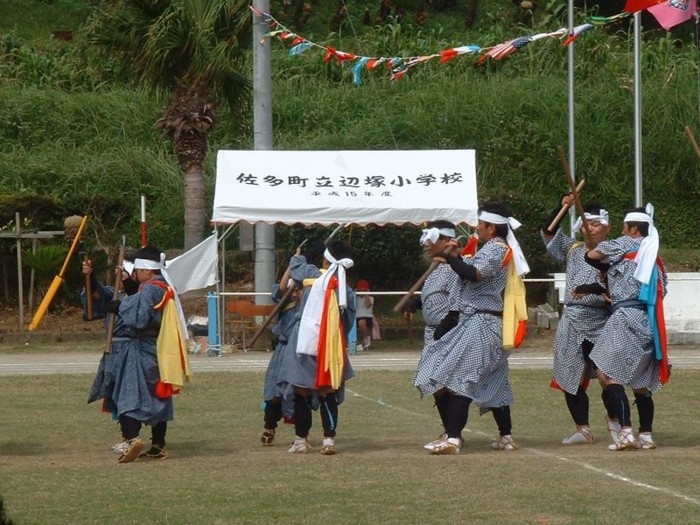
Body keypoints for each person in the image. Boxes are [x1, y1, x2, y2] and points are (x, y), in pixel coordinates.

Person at [413, 205, 529, 455]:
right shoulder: (487, 249)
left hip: (482, 323)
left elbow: (475, 274)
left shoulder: (498, 248)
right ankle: (457, 436)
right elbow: (467, 270)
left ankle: (453, 439)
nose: (476, 228)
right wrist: (457, 257)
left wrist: (454, 259)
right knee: (454, 378)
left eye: (480, 224)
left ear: (491, 227)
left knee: (458, 379)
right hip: (472, 322)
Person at [88, 245, 192, 463]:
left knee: (130, 396)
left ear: (146, 270)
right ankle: (158, 445)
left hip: (140, 349)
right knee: (155, 397)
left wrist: (120, 308)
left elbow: (139, 317)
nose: (135, 274)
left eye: (137, 271)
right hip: (149, 348)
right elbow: (133, 302)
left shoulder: (152, 288)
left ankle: (133, 438)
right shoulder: (155, 288)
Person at [584, 204, 668, 451]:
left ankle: (625, 431)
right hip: (647, 320)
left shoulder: (625, 244)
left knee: (607, 373)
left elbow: (591, 256)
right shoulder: (656, 257)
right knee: (640, 382)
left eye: (623, 227)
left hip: (624, 316)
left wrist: (597, 255)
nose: (622, 231)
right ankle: (646, 435)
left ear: (633, 229)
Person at [541, 195, 613, 445]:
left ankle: (616, 421)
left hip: (602, 319)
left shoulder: (615, 252)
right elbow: (548, 233)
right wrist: (562, 206)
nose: (588, 228)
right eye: (585, 224)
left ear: (606, 227)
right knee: (569, 376)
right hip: (571, 319)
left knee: (608, 375)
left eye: (594, 224)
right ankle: (583, 429)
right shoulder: (573, 249)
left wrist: (595, 289)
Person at [277, 239, 356, 455]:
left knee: (301, 391)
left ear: (325, 257)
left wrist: (300, 253)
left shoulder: (311, 273)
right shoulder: (346, 288)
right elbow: (348, 319)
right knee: (327, 392)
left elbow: (295, 266)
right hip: (331, 342)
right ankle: (329, 440)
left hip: (304, 339)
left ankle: (301, 439)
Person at [405, 220, 462, 452]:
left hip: (449, 331)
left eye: (432, 240)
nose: (426, 245)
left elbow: (457, 303)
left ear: (446, 241)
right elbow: (433, 295)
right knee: (435, 384)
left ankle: (454, 435)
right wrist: (414, 304)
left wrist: (444, 328)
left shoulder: (455, 268)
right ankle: (449, 431)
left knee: (450, 384)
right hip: (433, 333)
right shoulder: (436, 268)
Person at [260, 269, 301, 446]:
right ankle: (269, 427)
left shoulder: (309, 301)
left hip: (299, 352)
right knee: (275, 393)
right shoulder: (287, 299)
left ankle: (301, 434)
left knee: (299, 393)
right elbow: (283, 287)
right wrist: (292, 265)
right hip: (283, 351)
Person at [355, 279, 375, 351]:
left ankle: (366, 338)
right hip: (356, 318)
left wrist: (366, 295)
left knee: (362, 323)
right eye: (360, 290)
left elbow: (367, 305)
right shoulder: (354, 298)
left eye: (364, 290)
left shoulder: (371, 298)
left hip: (367, 318)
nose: (361, 291)